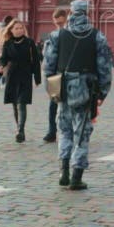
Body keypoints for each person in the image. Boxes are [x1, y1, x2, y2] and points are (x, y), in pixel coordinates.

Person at [44, 0, 112, 190]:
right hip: (85, 90)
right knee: (81, 133)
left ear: (71, 12)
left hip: (63, 89)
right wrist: (103, 92)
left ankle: (63, 170)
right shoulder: (97, 36)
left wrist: (52, 89)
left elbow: (48, 65)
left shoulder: (57, 35)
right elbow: (105, 67)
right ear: (87, 13)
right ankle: (76, 176)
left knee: (64, 130)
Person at [0, 20, 41, 143]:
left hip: (25, 75)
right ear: (11, 30)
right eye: (16, 28)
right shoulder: (8, 43)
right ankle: (19, 129)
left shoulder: (29, 42)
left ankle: (20, 130)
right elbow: (3, 58)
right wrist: (1, 66)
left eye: (21, 28)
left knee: (21, 103)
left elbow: (36, 61)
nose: (19, 30)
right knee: (14, 104)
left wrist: (37, 78)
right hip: (12, 76)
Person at [43, 8, 68, 143]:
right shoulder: (54, 35)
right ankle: (52, 131)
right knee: (54, 104)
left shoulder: (62, 35)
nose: (59, 25)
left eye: (61, 23)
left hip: (62, 74)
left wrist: (48, 73)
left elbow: (50, 56)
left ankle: (57, 131)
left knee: (61, 104)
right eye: (57, 23)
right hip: (58, 74)